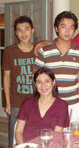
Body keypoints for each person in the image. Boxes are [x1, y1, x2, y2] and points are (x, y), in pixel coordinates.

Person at [34, 11, 79, 122]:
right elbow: (36, 79)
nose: (67, 31)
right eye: (63, 26)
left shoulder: (78, 51)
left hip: (73, 104)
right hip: (51, 103)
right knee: (53, 136)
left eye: (71, 27)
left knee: (73, 137)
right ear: (56, 28)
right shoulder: (44, 51)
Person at [2, 15, 35, 148]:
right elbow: (6, 77)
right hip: (16, 102)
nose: (23, 33)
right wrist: (7, 103)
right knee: (14, 137)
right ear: (16, 32)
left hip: (36, 101)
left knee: (33, 135)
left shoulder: (39, 50)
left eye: (26, 29)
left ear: (32, 30)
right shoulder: (10, 51)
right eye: (19, 30)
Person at [15, 67, 69, 144]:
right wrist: (22, 146)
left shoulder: (62, 105)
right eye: (39, 82)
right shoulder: (27, 103)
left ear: (53, 82)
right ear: (35, 84)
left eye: (47, 81)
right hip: (27, 145)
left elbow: (56, 134)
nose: (43, 86)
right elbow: (18, 132)